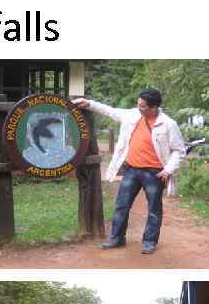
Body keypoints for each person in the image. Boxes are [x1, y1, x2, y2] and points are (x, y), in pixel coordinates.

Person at [73, 89, 186, 254]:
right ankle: (117, 238)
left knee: (154, 209)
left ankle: (149, 242)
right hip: (132, 169)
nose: (138, 108)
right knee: (121, 205)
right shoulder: (132, 115)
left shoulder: (169, 124)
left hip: (155, 173)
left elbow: (179, 150)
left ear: (154, 107)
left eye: (142, 106)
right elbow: (110, 111)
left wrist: (168, 169)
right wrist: (89, 104)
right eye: (138, 104)